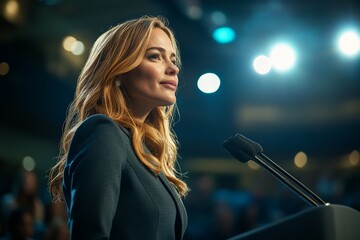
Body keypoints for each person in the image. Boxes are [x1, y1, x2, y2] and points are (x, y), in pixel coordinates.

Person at [48, 15, 189, 239]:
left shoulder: (144, 151)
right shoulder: (102, 131)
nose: (173, 68)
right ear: (118, 71)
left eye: (173, 59)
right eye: (155, 56)